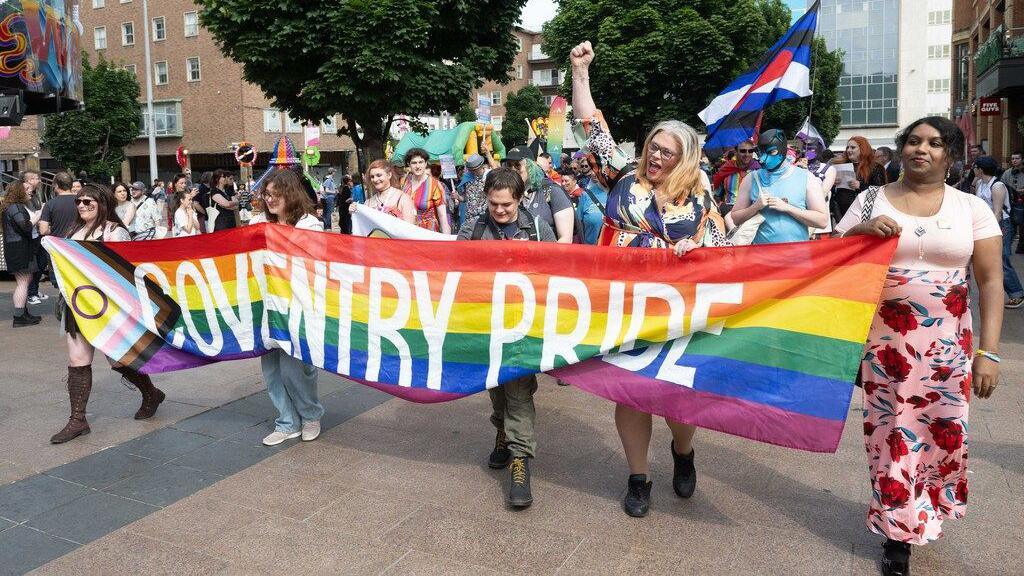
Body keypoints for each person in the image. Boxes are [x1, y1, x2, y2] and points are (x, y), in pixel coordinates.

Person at [835, 116, 1003, 576]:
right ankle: (896, 534)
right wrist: (859, 235)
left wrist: (988, 353)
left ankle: (924, 512)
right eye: (912, 141)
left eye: (933, 143)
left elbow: (990, 282)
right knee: (890, 435)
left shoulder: (971, 208)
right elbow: (832, 256)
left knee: (939, 435)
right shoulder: (869, 200)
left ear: (950, 155)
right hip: (883, 346)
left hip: (948, 349)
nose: (920, 149)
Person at [572, 39, 730, 517]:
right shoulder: (622, 180)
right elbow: (591, 128)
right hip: (626, 307)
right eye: (652, 147)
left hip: (681, 310)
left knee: (678, 403)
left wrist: (697, 248)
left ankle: (683, 452)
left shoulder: (701, 198)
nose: (655, 156)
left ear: (684, 159)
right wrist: (580, 72)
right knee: (633, 392)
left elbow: (724, 252)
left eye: (666, 151)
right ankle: (638, 477)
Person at [457, 167, 556, 508]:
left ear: (519, 200)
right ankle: (501, 431)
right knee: (496, 390)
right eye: (494, 203)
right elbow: (454, 276)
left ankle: (520, 460)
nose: (499, 211)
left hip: (523, 329)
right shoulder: (472, 230)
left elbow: (555, 275)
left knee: (518, 393)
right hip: (485, 327)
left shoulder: (539, 231)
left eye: (506, 205)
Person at [50, 183, 167, 444]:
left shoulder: (115, 233)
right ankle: (77, 419)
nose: (82, 206)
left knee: (118, 361)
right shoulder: (73, 231)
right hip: (78, 306)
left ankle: (151, 393)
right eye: (79, 202)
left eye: (88, 202)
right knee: (78, 360)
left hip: (109, 308)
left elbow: (128, 273)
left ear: (102, 204)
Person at [248, 170, 326, 446]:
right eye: (266, 194)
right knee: (271, 367)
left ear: (289, 194)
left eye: (275, 195)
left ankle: (310, 414)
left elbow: (316, 259)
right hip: (267, 302)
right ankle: (286, 421)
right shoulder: (259, 222)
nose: (269, 200)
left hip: (297, 301)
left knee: (296, 366)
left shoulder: (309, 225)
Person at [729, 129, 829, 244]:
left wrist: (788, 208)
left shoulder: (806, 177)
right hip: (760, 257)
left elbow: (822, 221)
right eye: (761, 153)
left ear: (782, 150)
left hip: (797, 257)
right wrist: (755, 207)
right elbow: (736, 218)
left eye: (771, 152)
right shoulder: (751, 178)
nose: (763, 159)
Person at [973, 156, 1023, 308]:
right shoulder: (981, 183)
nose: (973, 170)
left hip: (1001, 225)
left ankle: (1017, 294)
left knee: (1001, 259)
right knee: (994, 260)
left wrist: (991, 233)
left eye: (976, 167)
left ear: (981, 169)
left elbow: (997, 212)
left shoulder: (997, 185)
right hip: (987, 224)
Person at [504, 146, 575, 243]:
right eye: (508, 166)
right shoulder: (506, 194)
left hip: (547, 254)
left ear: (531, 167)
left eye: (517, 165)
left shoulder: (552, 191)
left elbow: (566, 239)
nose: (512, 170)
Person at [2, 179, 42, 327]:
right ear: (18, 191)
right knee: (23, 282)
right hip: (19, 248)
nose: (30, 190)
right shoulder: (16, 207)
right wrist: (39, 215)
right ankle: (19, 317)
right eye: (26, 188)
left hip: (17, 247)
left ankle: (23, 314)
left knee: (24, 281)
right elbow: (25, 227)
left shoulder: (12, 206)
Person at [831, 136, 887, 223]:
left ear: (863, 149)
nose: (849, 150)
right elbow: (832, 193)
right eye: (847, 147)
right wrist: (833, 184)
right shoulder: (840, 165)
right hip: (842, 213)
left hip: (865, 213)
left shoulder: (875, 167)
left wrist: (861, 185)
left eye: (853, 147)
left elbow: (881, 190)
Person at [402, 148, 451, 233]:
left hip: (428, 234)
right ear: (408, 164)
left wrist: (446, 241)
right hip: (408, 232)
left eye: (420, 162)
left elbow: (443, 216)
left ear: (425, 163)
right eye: (414, 163)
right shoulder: (403, 182)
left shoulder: (435, 185)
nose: (418, 166)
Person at [353, 159, 416, 224]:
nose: (375, 179)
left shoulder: (403, 198)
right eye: (372, 177)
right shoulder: (368, 203)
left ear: (389, 175)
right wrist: (355, 211)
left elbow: (410, 229)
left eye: (379, 175)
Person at [712, 140, 760, 215]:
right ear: (736, 151)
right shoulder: (726, 169)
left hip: (750, 212)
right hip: (728, 211)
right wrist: (722, 206)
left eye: (750, 151)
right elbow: (716, 195)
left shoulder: (758, 170)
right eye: (743, 151)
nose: (747, 154)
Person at [39, 172, 80, 239]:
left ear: (57, 185)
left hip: (57, 244)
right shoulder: (81, 202)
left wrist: (54, 228)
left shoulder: (50, 204)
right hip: (77, 242)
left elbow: (43, 231)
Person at [457, 154, 490, 225]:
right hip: (469, 219)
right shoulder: (467, 177)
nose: (473, 172)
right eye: (471, 170)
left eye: (475, 169)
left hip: (484, 218)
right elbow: (466, 198)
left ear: (481, 166)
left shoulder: (489, 177)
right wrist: (458, 197)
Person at [1001, 151, 1024, 253]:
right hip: (1011, 203)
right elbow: (1002, 184)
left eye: (1017, 158)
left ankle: (1021, 247)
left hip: (1022, 201)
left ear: (1022, 160)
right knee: (1011, 226)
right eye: (1013, 159)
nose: (1014, 161)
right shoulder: (1007, 172)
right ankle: (1007, 248)